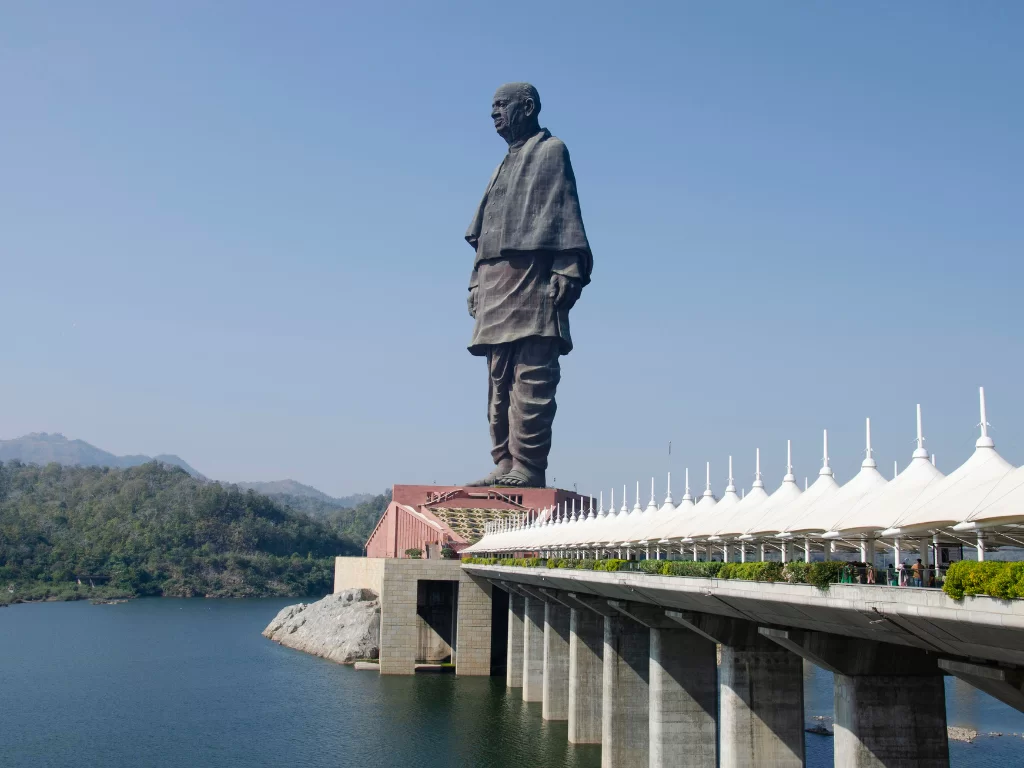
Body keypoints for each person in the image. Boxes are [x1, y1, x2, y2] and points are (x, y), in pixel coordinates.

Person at [464, 83, 593, 488]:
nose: (494, 113)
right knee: (498, 379)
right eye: (492, 107)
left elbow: (564, 212)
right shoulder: (502, 164)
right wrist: (474, 284)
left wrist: (567, 268)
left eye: (501, 105)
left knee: (533, 376)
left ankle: (529, 465)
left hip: (533, 281)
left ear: (529, 107)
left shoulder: (551, 151)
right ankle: (504, 460)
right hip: (495, 282)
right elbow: (483, 234)